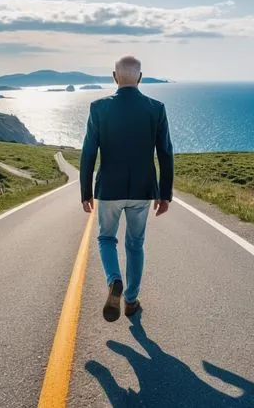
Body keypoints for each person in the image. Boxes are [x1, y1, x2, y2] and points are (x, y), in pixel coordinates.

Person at [80, 56, 174, 322]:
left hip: (109, 189)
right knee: (135, 245)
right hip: (143, 190)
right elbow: (165, 153)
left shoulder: (98, 108)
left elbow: (88, 152)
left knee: (106, 239)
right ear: (140, 78)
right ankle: (131, 301)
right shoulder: (156, 108)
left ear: (114, 77)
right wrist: (165, 193)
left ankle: (114, 280)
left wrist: (85, 191)